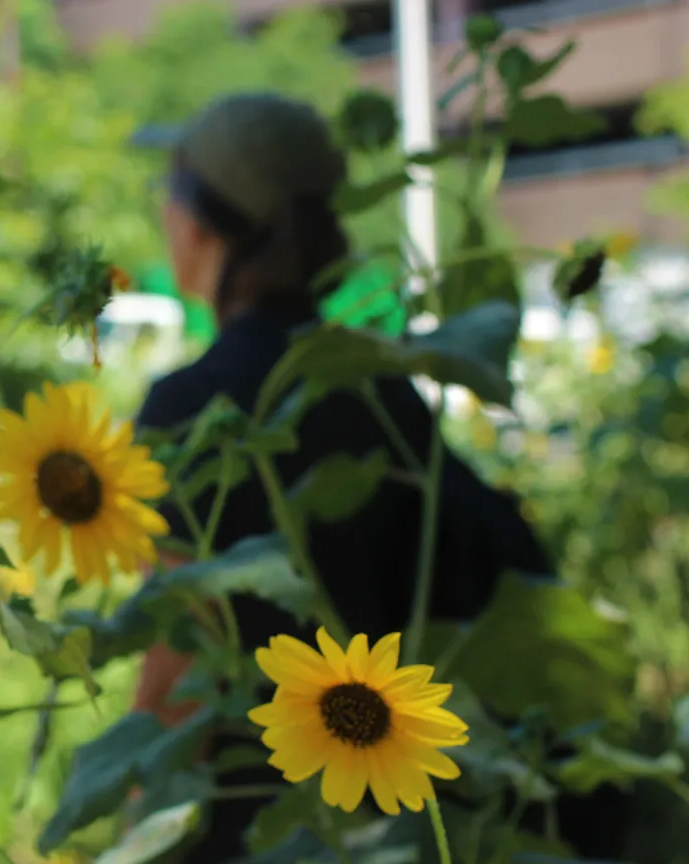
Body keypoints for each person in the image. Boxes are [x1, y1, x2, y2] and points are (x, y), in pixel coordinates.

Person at [127, 93, 624, 860]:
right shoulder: (377, 383)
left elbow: (179, 662)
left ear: (197, 222)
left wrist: (137, 829)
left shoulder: (189, 406)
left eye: (169, 191)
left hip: (269, 817)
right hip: (410, 810)